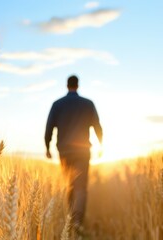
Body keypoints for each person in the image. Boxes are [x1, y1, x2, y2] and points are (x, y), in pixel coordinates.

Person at [44, 75, 103, 228]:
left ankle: (69, 218)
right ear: (78, 85)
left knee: (68, 185)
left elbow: (49, 128)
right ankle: (77, 222)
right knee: (81, 187)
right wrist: (101, 145)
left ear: (67, 85)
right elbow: (97, 127)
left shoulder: (57, 104)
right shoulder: (88, 104)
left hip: (64, 152)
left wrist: (47, 147)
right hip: (83, 152)